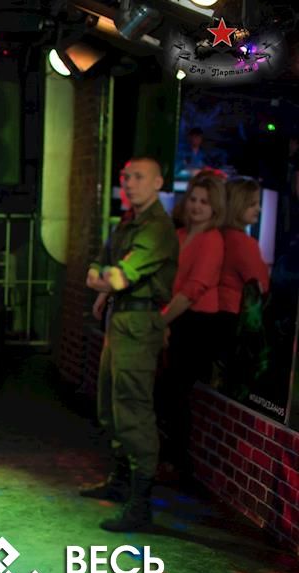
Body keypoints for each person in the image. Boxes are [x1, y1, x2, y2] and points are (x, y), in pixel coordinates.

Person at [80, 157, 179, 532]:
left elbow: (118, 277)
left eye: (139, 177)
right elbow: (98, 265)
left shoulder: (156, 228)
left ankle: (141, 504)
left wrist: (105, 280)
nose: (130, 183)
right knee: (111, 406)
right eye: (126, 177)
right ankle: (121, 482)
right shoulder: (128, 223)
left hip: (137, 323)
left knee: (134, 412)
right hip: (121, 320)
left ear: (157, 182)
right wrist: (103, 279)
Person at [157, 173, 226, 488]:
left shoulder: (212, 240)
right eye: (194, 200)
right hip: (174, 317)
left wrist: (161, 322)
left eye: (204, 202)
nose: (197, 206)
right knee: (165, 393)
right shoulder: (180, 234)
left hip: (196, 324)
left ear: (215, 208)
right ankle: (167, 460)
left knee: (175, 395)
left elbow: (194, 290)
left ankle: (177, 465)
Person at [216, 177, 270, 357]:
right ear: (238, 205)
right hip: (235, 320)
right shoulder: (243, 243)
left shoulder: (216, 235)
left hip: (214, 315)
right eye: (252, 204)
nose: (259, 209)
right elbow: (261, 285)